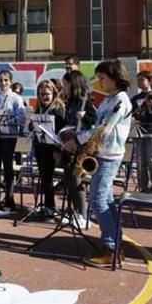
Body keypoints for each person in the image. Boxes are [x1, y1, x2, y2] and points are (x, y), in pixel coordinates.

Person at [67, 60, 133, 268]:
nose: (100, 82)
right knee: (104, 198)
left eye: (103, 78)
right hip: (102, 153)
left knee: (97, 200)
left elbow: (104, 128)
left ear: (116, 78)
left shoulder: (120, 101)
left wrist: (78, 140)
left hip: (109, 156)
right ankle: (114, 241)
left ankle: (111, 248)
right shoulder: (108, 100)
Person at [60, 69, 97, 227]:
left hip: (81, 145)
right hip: (70, 144)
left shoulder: (85, 100)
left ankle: (83, 215)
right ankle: (73, 212)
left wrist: (85, 117)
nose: (64, 87)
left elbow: (95, 121)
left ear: (72, 84)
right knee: (68, 179)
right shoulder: (71, 102)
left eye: (65, 84)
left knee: (77, 179)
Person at [0, 70, 26, 211]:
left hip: (9, 137)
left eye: (6, 80)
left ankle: (9, 199)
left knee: (8, 167)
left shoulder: (16, 98)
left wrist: (8, 120)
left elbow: (21, 117)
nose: (3, 83)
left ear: (10, 81)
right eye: (0, 80)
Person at [32, 79, 66, 218]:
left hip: (53, 148)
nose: (44, 97)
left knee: (47, 177)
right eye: (41, 94)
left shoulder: (58, 109)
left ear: (53, 93)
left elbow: (61, 129)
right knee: (44, 177)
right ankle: (47, 205)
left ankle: (50, 207)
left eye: (47, 94)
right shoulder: (39, 108)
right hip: (40, 146)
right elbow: (33, 127)